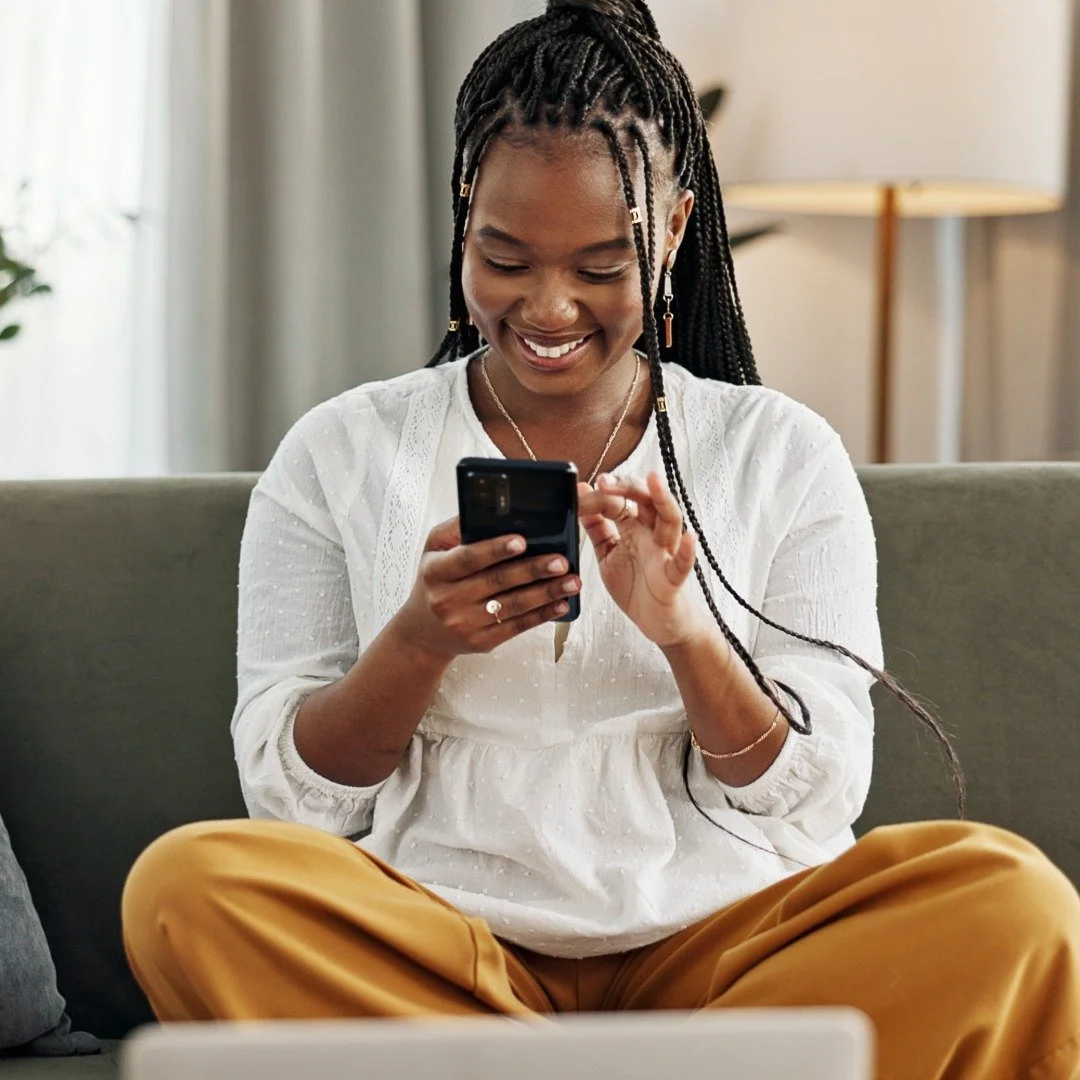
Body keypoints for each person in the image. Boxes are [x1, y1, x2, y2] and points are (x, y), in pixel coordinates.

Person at [121, 1, 1080, 1075]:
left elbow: (815, 804)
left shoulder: (780, 453)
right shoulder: (340, 453)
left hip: (722, 956)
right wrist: (417, 644)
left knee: (1012, 902)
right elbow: (291, 804)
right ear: (462, 219)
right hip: (444, 947)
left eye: (598, 266)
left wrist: (686, 635)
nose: (547, 307)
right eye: (505, 256)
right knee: (188, 887)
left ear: (670, 233)